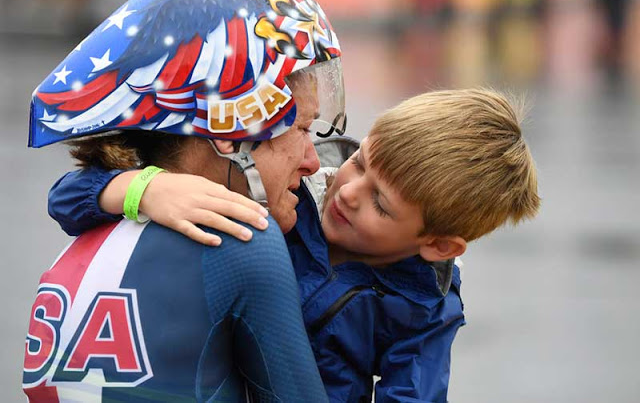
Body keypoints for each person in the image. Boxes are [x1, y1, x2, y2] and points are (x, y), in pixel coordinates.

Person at [47, 88, 541, 401]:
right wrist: (145, 188)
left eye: (381, 205)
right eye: (361, 162)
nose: (346, 191)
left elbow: (414, 392)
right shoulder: (284, 194)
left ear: (437, 246)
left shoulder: (425, 306)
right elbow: (68, 198)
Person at [22, 0, 346, 401]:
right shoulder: (243, 237)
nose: (313, 160)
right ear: (232, 131)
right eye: (301, 128)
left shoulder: (93, 225)